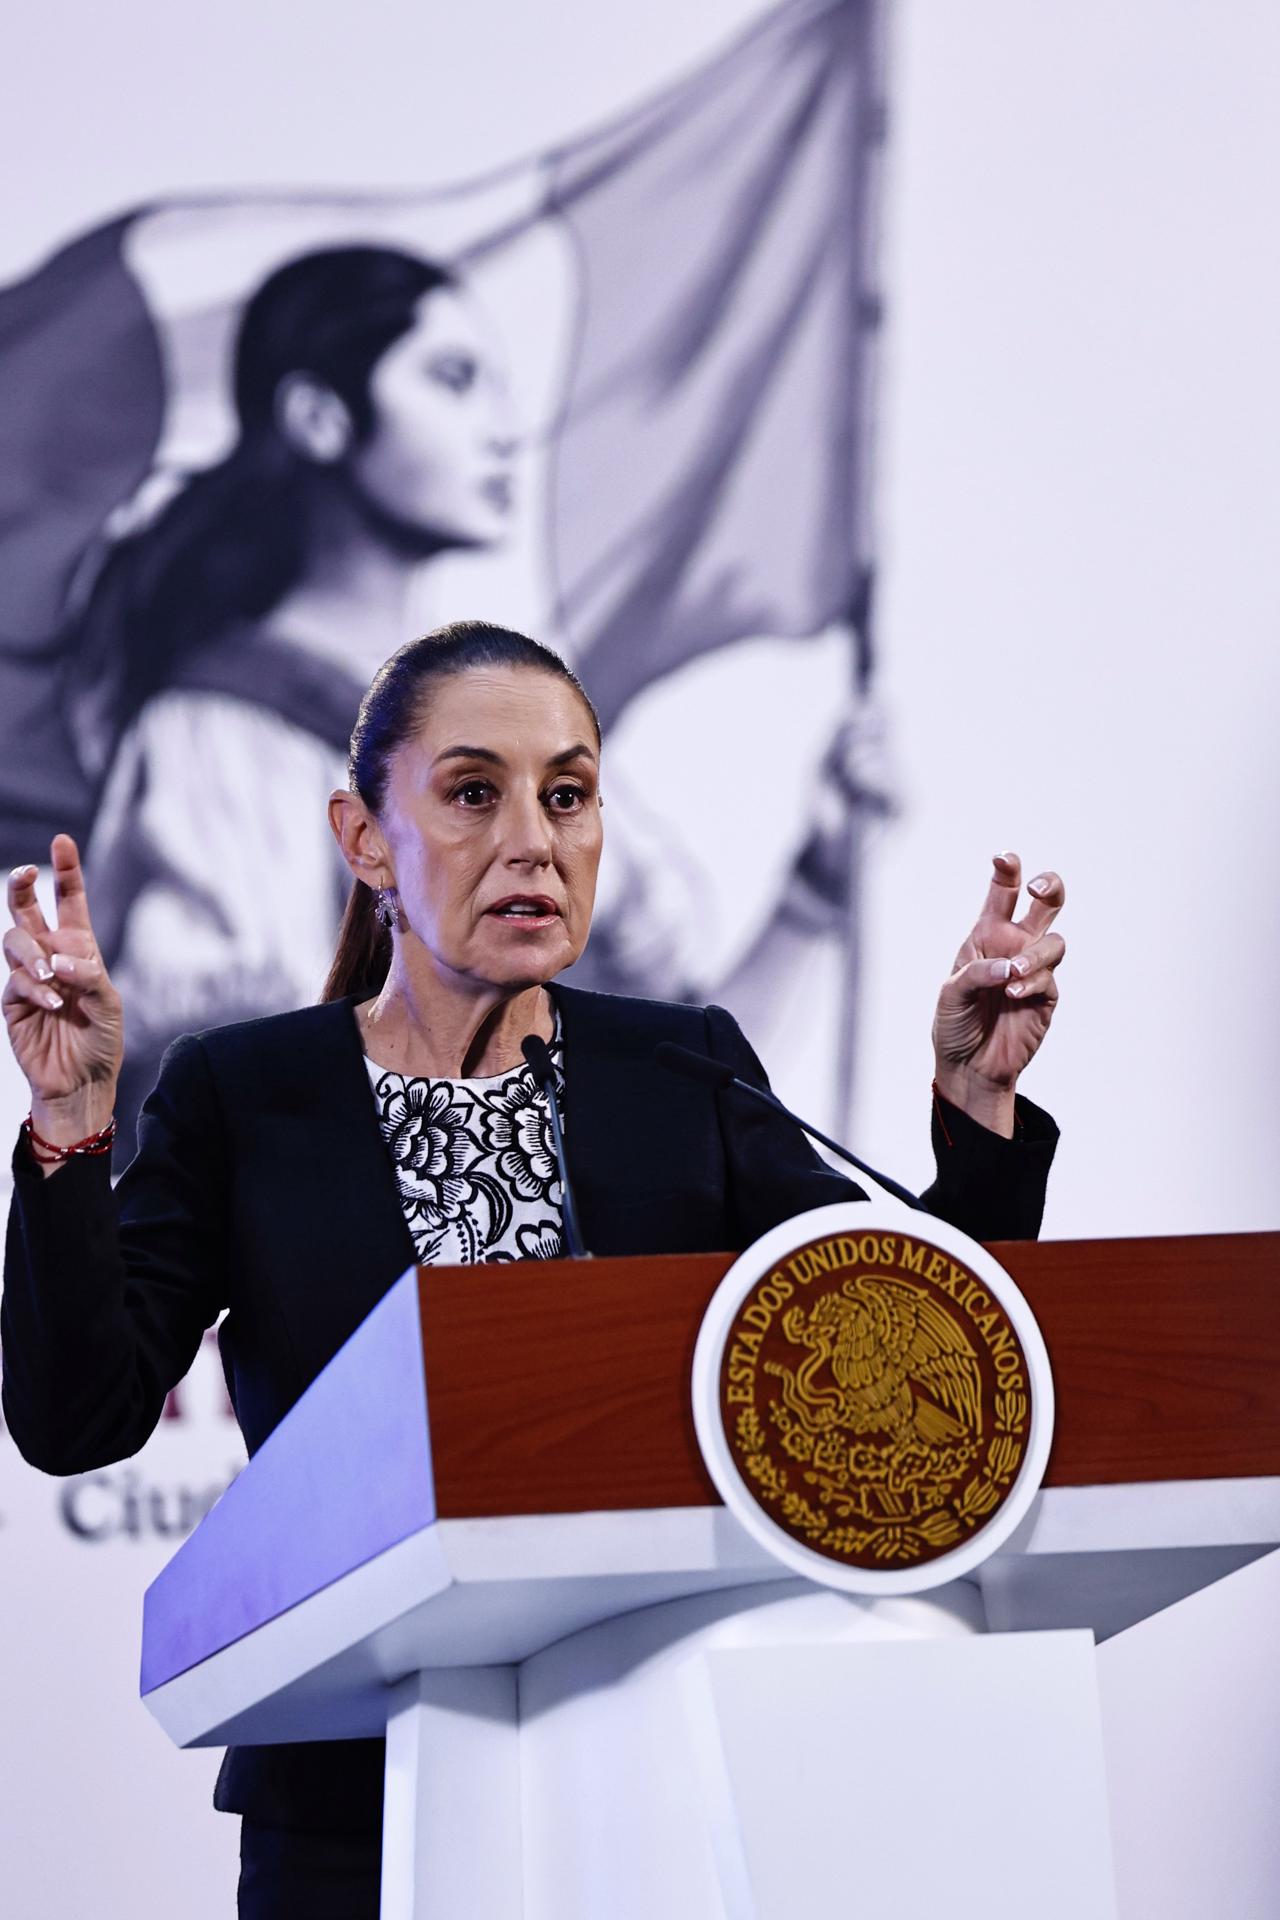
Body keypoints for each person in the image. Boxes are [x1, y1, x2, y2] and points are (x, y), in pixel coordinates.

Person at [2, 620, 1066, 1917]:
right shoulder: (245, 1091)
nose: (534, 840)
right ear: (364, 838)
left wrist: (977, 1106)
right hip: (354, 1813)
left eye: (568, 794)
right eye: (471, 793)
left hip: (661, 1781)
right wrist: (70, 1128)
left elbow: (916, 1352)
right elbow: (75, 1416)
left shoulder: (684, 1065)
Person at [66, 246, 518, 1156]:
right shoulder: (222, 729)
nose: (505, 429)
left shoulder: (508, 731)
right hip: (339, 1290)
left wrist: (810, 894)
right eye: (453, 380)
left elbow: (654, 1095)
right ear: (318, 415)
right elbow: (230, 1105)